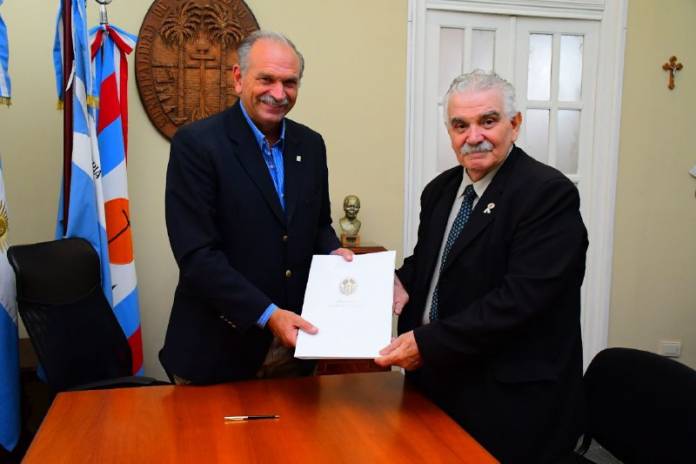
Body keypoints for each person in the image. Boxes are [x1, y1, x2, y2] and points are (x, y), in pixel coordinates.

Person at [376, 70, 588, 463]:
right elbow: (431, 262)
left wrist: (428, 344)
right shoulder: (440, 191)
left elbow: (521, 300)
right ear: (449, 132)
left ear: (515, 124)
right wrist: (396, 281)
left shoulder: (547, 195)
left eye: (487, 121)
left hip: (509, 399)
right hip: (439, 384)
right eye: (460, 125)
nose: (473, 136)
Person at [160, 31, 352, 385]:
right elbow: (197, 255)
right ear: (238, 78)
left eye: (289, 83)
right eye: (267, 79)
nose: (279, 94)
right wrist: (268, 315)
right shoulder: (197, 145)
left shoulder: (311, 145)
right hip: (217, 352)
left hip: (294, 351)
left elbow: (318, 225)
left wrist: (334, 254)